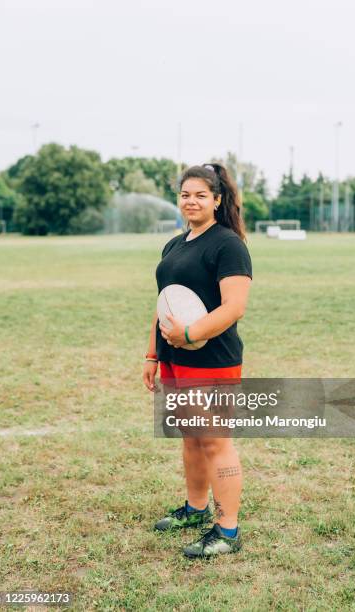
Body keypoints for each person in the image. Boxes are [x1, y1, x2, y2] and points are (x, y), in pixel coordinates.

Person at [143, 163, 252, 558]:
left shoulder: (228, 244)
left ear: (217, 200)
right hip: (174, 358)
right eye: (185, 194)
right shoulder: (174, 245)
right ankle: (196, 508)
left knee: (216, 443)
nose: (191, 201)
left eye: (200, 195)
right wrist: (154, 352)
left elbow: (235, 306)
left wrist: (190, 334)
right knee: (191, 438)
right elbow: (164, 303)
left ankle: (227, 531)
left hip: (213, 361)